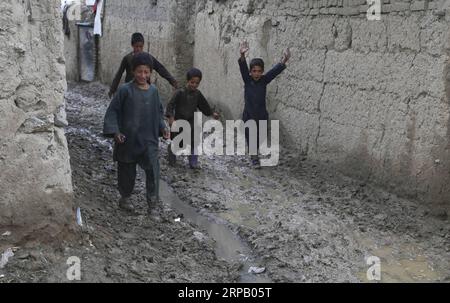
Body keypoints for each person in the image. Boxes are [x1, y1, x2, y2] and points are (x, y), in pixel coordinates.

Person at [103, 52, 170, 217]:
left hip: (149, 140)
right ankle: (125, 198)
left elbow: (159, 113)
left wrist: (163, 127)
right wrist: (116, 131)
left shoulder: (154, 92)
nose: (143, 75)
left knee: (153, 171)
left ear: (150, 73)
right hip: (128, 140)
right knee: (127, 171)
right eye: (139, 71)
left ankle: (153, 204)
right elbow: (113, 112)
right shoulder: (125, 90)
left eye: (146, 72)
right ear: (133, 71)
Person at [238, 40, 291, 168]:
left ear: (262, 72)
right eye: (254, 71)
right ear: (251, 72)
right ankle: (254, 158)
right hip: (249, 115)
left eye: (259, 71)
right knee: (251, 137)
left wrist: (284, 61)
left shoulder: (264, 80)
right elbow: (243, 68)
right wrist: (242, 55)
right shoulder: (247, 80)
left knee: (260, 137)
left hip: (261, 115)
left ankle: (255, 152)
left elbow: (274, 71)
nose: (256, 74)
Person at [166, 68, 219, 169]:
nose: (194, 85)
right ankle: (172, 152)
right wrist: (171, 118)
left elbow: (204, 106)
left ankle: (193, 162)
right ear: (187, 80)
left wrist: (212, 113)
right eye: (192, 82)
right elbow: (170, 105)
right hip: (179, 121)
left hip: (192, 122)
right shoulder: (179, 93)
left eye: (197, 83)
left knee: (194, 142)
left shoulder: (197, 94)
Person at [108, 32, 178, 98]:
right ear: (132, 45)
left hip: (145, 88)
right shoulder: (127, 58)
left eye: (141, 47)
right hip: (131, 89)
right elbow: (119, 74)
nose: (138, 49)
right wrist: (112, 89)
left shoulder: (148, 58)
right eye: (136, 46)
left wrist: (172, 81)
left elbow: (160, 68)